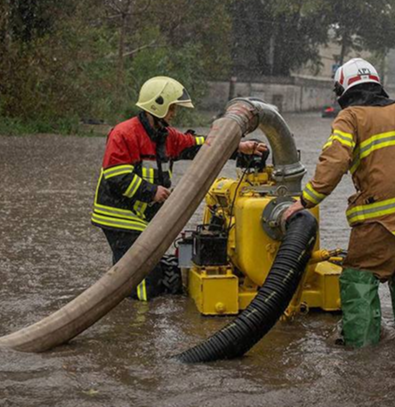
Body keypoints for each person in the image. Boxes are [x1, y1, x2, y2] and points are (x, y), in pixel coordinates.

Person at [283, 58, 395, 347]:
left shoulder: (351, 117)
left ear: (344, 90)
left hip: (383, 218)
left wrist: (305, 200)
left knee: (358, 276)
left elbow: (334, 160)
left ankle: (361, 354)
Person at [91, 76, 268, 301]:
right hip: (119, 217)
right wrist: (152, 192)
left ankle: (131, 313)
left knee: (136, 273)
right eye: (172, 107)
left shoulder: (166, 136)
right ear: (158, 105)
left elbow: (202, 147)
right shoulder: (124, 133)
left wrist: (238, 147)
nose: (174, 113)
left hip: (142, 217)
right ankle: (137, 324)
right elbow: (116, 176)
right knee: (142, 277)